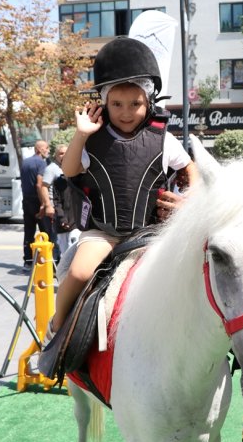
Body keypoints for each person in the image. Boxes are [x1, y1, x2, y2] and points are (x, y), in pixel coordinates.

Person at [44, 37, 198, 339]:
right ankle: (57, 325)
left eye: (135, 104)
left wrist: (192, 191)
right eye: (117, 104)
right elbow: (70, 169)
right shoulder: (92, 138)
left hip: (150, 232)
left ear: (149, 102)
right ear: (104, 102)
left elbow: (189, 166)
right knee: (78, 273)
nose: (126, 112)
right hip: (103, 231)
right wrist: (81, 135)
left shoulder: (163, 139)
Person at [39, 144, 76, 259]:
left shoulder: (69, 167)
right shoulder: (52, 169)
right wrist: (48, 205)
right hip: (56, 209)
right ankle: (56, 266)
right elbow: (44, 187)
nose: (64, 155)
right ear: (56, 156)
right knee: (58, 240)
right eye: (61, 153)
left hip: (68, 211)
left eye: (66, 153)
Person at [20, 139, 50, 272]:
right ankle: (47, 261)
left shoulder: (25, 162)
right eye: (46, 148)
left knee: (29, 232)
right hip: (37, 201)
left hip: (26, 201)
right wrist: (44, 203)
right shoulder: (41, 163)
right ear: (40, 149)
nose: (48, 150)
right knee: (45, 233)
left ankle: (28, 261)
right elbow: (39, 184)